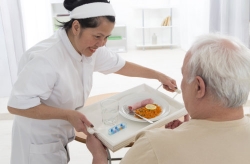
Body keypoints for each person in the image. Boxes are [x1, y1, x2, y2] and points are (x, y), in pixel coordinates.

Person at [7, 0, 177, 164]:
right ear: (76, 27)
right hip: (37, 142)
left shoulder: (89, 48)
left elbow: (121, 66)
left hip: (58, 136)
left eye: (106, 37)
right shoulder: (45, 58)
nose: (102, 43)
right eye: (98, 36)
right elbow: (16, 105)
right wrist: (67, 114)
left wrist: (158, 75)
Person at [86, 34, 250, 164]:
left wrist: (99, 157)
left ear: (199, 87)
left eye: (184, 76)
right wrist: (186, 135)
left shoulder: (152, 145)